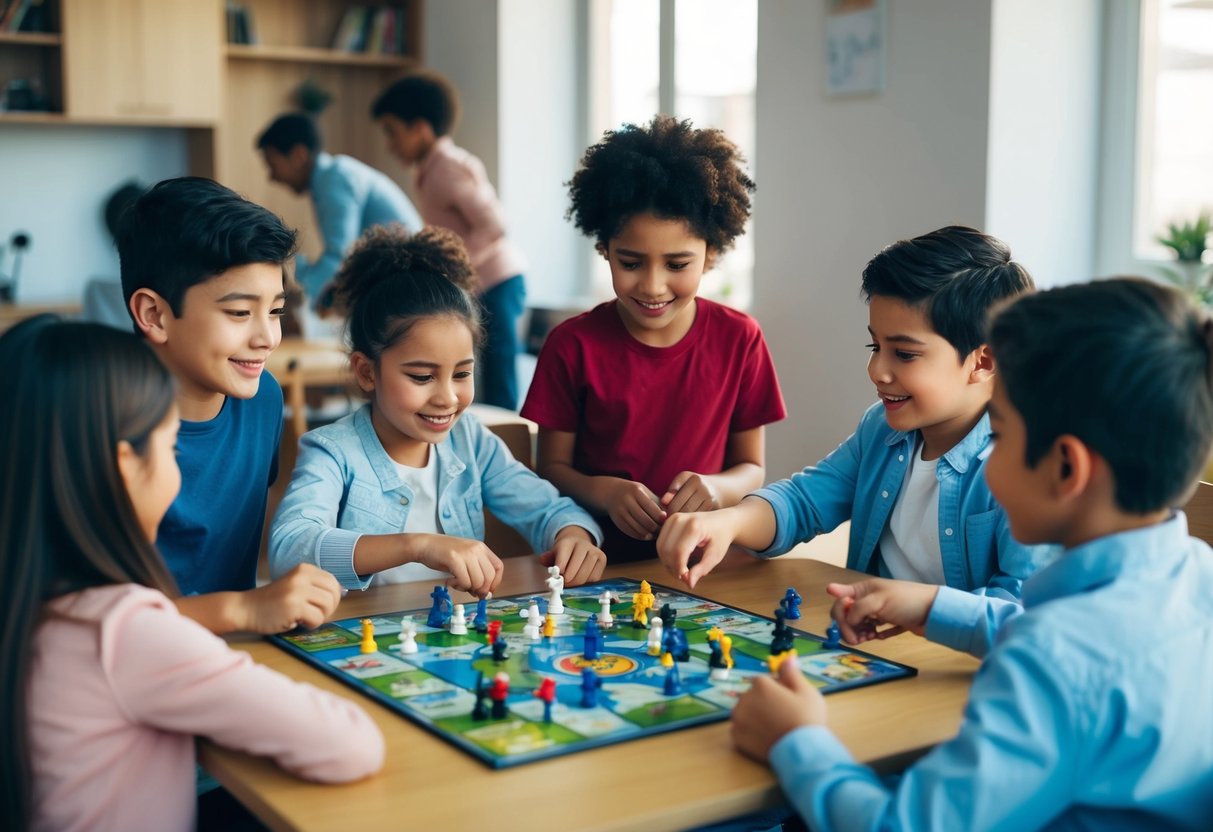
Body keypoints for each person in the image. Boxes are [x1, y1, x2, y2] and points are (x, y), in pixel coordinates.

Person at [732, 277, 1213, 829]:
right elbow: (1073, 640)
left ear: (1066, 468)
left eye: (1001, 433)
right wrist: (934, 607)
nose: (987, 449)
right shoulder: (1195, 576)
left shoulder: (1053, 664)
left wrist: (797, 742)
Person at [0, 318, 384, 832]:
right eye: (168, 446)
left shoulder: (30, 600)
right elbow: (350, 745)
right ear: (124, 467)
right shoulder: (125, 630)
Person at [658, 226, 1051, 596]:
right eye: (874, 347)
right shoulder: (880, 430)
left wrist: (922, 609)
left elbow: (1020, 610)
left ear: (984, 362)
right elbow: (803, 501)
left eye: (905, 354)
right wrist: (728, 522)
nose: (877, 370)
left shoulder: (1030, 469)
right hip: (875, 644)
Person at [269, 225, 607, 590]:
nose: (447, 397)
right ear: (367, 372)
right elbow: (290, 549)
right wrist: (416, 545)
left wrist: (574, 535)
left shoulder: (471, 440)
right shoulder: (333, 452)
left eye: (462, 373)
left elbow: (547, 509)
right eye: (421, 377)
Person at [521, 115, 786, 563]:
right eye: (631, 261)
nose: (653, 285)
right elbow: (551, 469)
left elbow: (752, 469)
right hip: (597, 563)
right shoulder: (571, 345)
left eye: (677, 265)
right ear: (604, 247)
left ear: (712, 254)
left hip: (704, 563)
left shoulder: (741, 339)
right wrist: (606, 492)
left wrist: (717, 487)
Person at [117, 176, 342, 635]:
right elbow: (82, 616)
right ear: (154, 314)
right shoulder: (98, 423)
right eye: (240, 313)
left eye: (276, 311)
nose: (266, 338)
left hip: (237, 649)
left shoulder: (263, 399)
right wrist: (246, 609)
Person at [372, 71, 527, 409]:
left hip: (497, 282)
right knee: (479, 374)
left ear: (421, 129)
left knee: (499, 378)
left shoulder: (448, 168)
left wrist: (452, 267)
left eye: (392, 132)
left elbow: (494, 224)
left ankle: (510, 453)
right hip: (483, 284)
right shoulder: (432, 170)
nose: (390, 144)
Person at [257, 112, 422, 310]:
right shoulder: (330, 177)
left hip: (409, 287)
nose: (272, 177)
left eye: (273, 165)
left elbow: (339, 258)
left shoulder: (335, 178)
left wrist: (288, 298)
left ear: (299, 155)